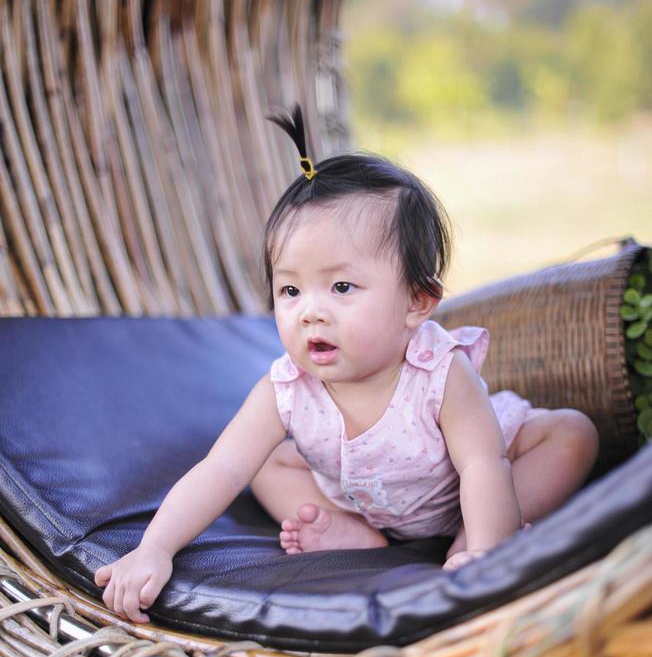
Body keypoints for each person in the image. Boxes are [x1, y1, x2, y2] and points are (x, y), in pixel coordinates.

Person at [95, 107, 600, 623]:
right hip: (367, 501)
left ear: (417, 303)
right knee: (261, 463)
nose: (311, 310)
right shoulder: (286, 390)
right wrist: (154, 548)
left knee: (571, 435)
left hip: (473, 492)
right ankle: (355, 534)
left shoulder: (441, 374)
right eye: (290, 289)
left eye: (341, 287)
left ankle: (470, 545)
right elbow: (220, 469)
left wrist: (485, 550)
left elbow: (481, 465)